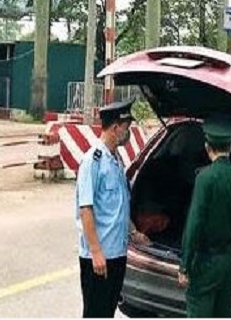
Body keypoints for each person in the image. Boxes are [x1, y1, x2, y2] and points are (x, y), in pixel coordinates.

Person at [75, 98, 150, 318]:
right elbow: (86, 209)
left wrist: (134, 232)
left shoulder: (116, 161)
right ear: (116, 128)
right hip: (99, 257)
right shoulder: (92, 162)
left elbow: (119, 207)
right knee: (95, 313)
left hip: (117, 253)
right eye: (127, 128)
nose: (128, 133)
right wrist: (96, 252)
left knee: (107, 312)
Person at [178, 117, 231, 318]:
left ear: (206, 146)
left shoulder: (205, 178)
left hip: (204, 263)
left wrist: (185, 265)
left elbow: (195, 223)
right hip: (228, 261)